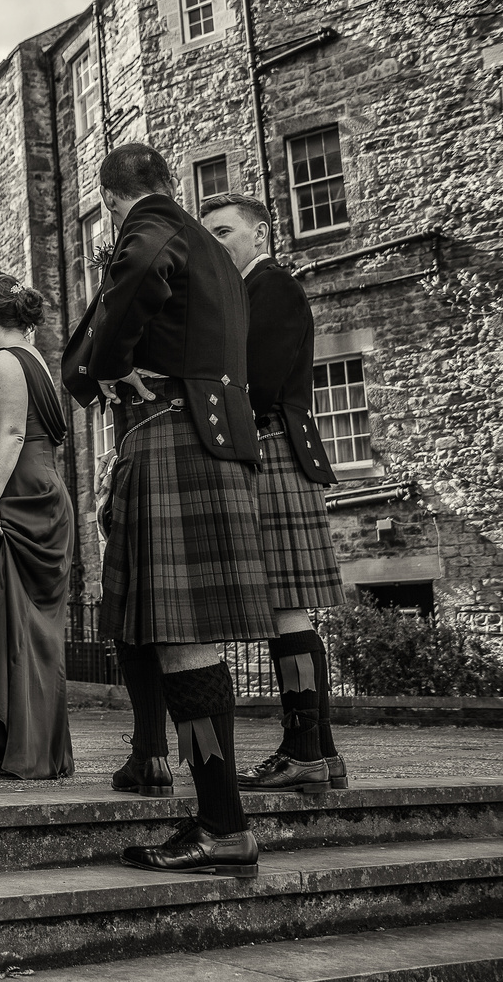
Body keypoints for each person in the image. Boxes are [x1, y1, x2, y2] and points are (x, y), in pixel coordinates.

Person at [62, 143, 271, 876]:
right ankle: (222, 818)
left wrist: (104, 365)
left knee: (183, 637)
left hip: (172, 433)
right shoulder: (214, 252)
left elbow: (142, 273)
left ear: (113, 198)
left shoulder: (148, 228)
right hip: (210, 435)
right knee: (193, 639)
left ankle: (222, 823)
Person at [201, 192, 348, 793]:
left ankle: (303, 752)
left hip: (273, 447)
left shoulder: (274, 288)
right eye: (205, 233)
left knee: (286, 606)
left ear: (259, 235)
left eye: (225, 231)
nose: (215, 242)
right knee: (282, 608)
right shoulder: (239, 295)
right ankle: (323, 752)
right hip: (264, 450)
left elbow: (254, 383)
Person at [0, 277, 75, 780]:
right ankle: (33, 746)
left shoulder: (4, 361)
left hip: (19, 495)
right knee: (30, 629)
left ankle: (27, 750)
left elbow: (13, 432)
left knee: (19, 627)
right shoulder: (38, 359)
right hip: (41, 489)